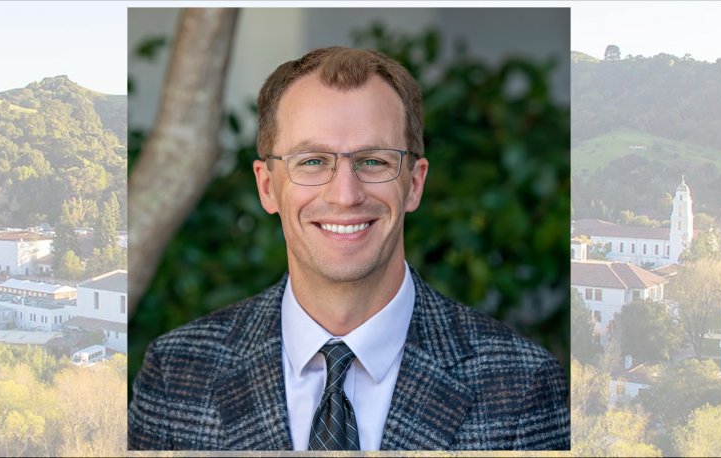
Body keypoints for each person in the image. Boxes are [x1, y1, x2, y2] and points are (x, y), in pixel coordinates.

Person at [128, 46, 570, 451]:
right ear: (267, 187)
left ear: (414, 184)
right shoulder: (177, 374)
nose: (345, 194)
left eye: (373, 161)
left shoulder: (523, 385)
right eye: (312, 161)